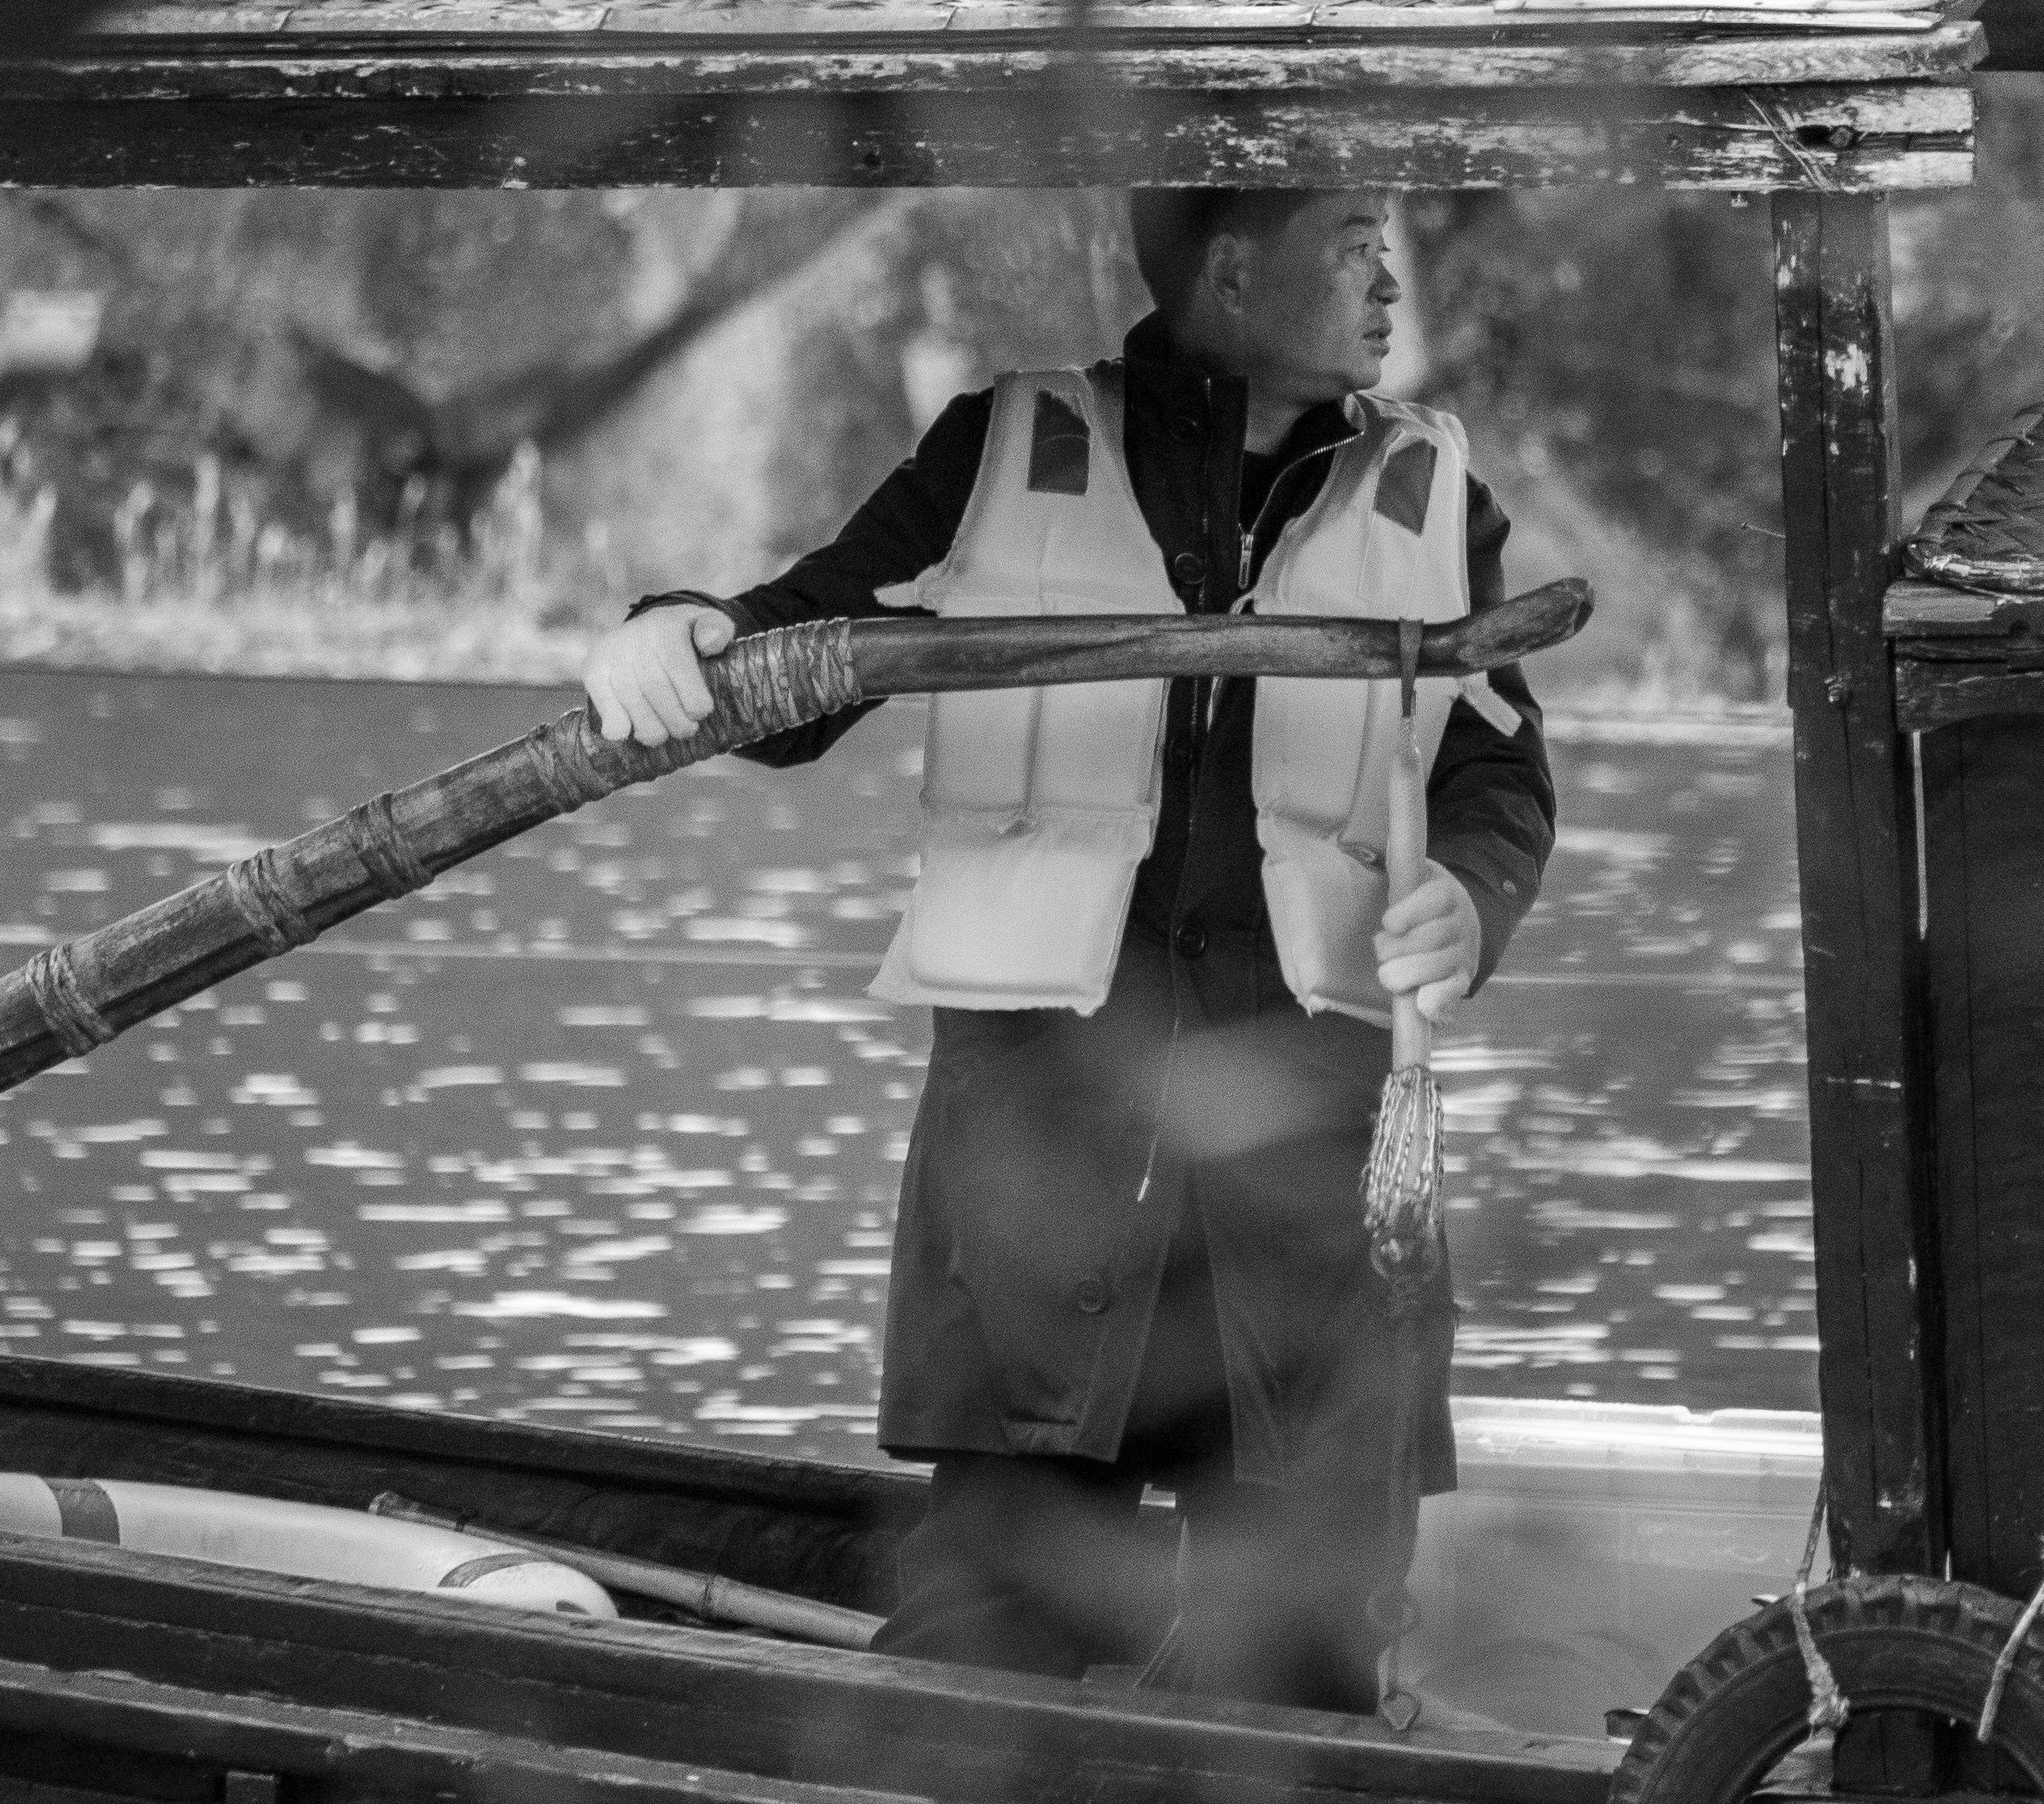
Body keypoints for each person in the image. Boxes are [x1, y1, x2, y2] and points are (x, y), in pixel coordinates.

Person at [581, 187, 1556, 1713]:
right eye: (1354, 240)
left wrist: (1471, 903)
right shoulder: (996, 450)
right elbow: (801, 652)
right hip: (1040, 1161)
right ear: (1233, 270)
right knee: (986, 1638)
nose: (1388, 279)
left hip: (1306, 1175)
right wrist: (674, 629)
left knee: (1304, 1662)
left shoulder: (1438, 494)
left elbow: (1497, 773)